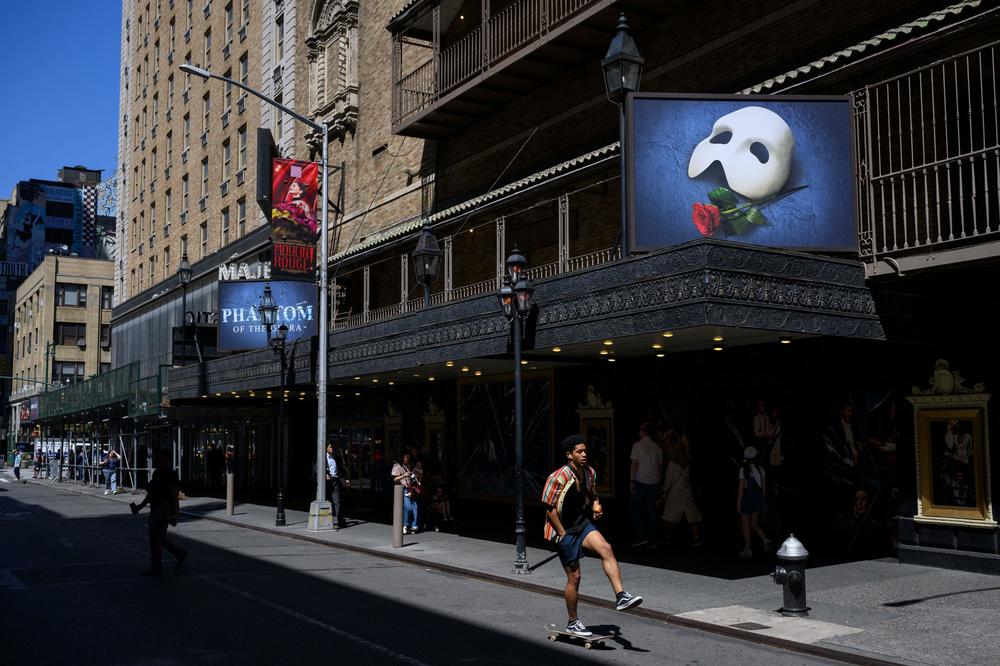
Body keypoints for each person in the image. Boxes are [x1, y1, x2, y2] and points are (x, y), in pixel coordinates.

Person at [542, 435, 642, 638]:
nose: (585, 454)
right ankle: (573, 622)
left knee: (606, 548)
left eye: (585, 451)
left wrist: (596, 504)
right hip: (563, 530)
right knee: (575, 578)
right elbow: (549, 508)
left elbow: (592, 494)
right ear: (569, 455)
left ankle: (621, 596)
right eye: (579, 451)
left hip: (581, 524)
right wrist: (562, 534)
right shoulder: (558, 477)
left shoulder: (589, 472)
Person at [131, 449, 188, 575]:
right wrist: (140, 506)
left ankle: (156, 567)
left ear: (166, 459)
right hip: (156, 507)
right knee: (160, 537)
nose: (156, 460)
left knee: (154, 537)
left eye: (159, 457)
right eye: (156, 457)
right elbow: (151, 493)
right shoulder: (157, 473)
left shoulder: (170, 473)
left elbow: (175, 495)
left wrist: (176, 514)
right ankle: (179, 552)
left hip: (164, 507)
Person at [659, 431, 703, 547]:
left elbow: (668, 481)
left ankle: (666, 537)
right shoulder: (686, 461)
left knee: (669, 516)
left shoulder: (672, 464)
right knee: (691, 515)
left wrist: (663, 492)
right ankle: (696, 537)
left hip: (675, 492)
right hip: (686, 490)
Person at [628, 423, 663, 548]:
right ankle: (652, 540)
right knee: (652, 511)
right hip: (654, 482)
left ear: (643, 431)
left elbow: (634, 464)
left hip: (640, 481)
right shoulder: (657, 447)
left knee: (634, 510)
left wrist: (631, 481)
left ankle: (642, 536)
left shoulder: (637, 445)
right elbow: (660, 467)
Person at [737, 446, 771, 558]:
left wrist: (738, 504)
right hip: (757, 498)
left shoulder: (743, 470)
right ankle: (765, 540)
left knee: (745, 524)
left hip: (747, 498)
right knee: (754, 523)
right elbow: (764, 489)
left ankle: (748, 549)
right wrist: (760, 500)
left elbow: (741, 489)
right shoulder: (761, 469)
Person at [391, 453, 420, 534]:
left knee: (414, 506)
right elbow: (395, 479)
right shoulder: (397, 466)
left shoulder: (408, 467)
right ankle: (405, 525)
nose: (408, 458)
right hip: (402, 489)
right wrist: (404, 475)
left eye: (408, 457)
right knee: (407, 507)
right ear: (402, 458)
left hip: (409, 488)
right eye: (406, 457)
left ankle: (413, 525)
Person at [325, 443, 350, 529]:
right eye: (330, 446)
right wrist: (325, 474)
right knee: (327, 501)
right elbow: (315, 469)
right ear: (326, 448)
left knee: (337, 501)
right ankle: (327, 520)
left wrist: (346, 478)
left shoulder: (337, 457)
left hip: (335, 480)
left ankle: (340, 520)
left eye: (333, 446)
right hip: (325, 482)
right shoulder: (322, 457)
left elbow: (342, 468)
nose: (332, 448)